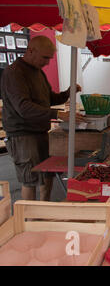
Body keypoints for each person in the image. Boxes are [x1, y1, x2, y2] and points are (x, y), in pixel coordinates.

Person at [0, 36, 84, 201]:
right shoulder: (14, 72)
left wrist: (67, 93)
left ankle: (44, 209)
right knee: (29, 179)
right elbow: (23, 107)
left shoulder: (38, 72)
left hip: (40, 131)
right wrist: (57, 114)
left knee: (47, 175)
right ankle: (29, 222)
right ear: (31, 51)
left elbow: (49, 99)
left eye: (50, 58)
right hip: (22, 134)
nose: (47, 62)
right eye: (45, 57)